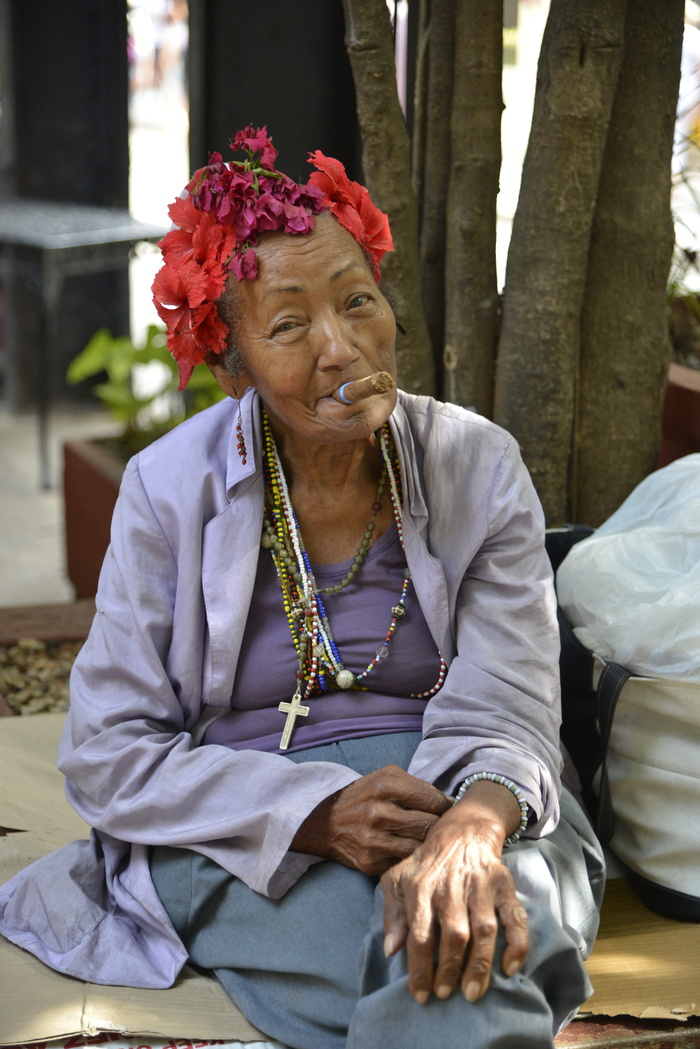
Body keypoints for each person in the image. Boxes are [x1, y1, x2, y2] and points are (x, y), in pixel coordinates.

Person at [0, 126, 604, 1049]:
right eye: (287, 325)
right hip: (249, 827)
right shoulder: (170, 492)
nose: (339, 347)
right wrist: (314, 812)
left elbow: (512, 706)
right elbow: (108, 752)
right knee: (471, 959)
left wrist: (471, 832)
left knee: (480, 914)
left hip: (471, 797)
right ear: (233, 358)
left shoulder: (475, 466)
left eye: (357, 301)